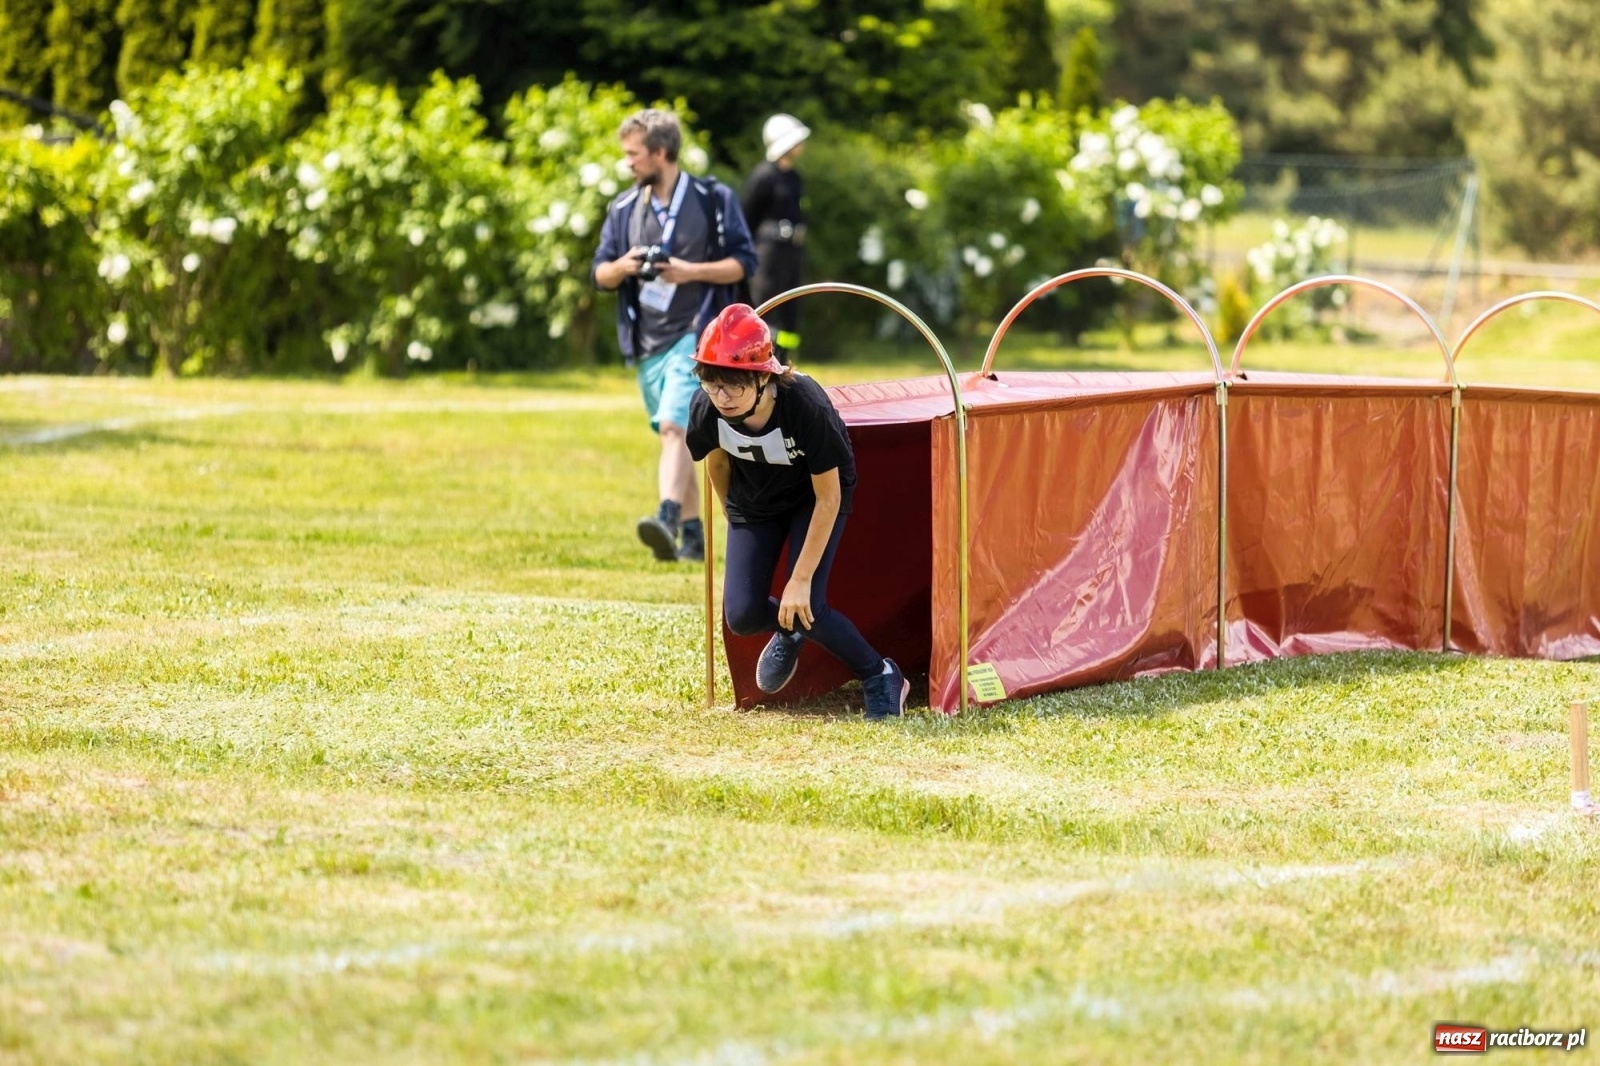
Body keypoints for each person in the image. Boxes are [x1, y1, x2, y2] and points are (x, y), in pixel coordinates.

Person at [685, 303, 908, 721]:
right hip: (755, 500)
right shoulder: (706, 409)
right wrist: (735, 520)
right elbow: (717, 464)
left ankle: (880, 674)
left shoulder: (806, 406)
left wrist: (799, 580)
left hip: (816, 497)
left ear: (762, 375)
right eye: (713, 384)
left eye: (733, 385)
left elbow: (828, 496)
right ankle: (790, 629)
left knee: (807, 605)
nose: (723, 397)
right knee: (743, 615)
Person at [592, 108, 759, 563]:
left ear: (661, 153)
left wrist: (690, 272)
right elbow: (600, 274)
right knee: (676, 435)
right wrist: (624, 266)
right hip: (647, 340)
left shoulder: (712, 198)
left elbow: (745, 262)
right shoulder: (624, 208)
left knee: (674, 427)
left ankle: (666, 514)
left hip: (697, 334)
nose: (628, 164)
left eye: (634, 154)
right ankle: (692, 534)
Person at [742, 114, 810, 363]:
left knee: (790, 308)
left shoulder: (794, 178)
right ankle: (761, 358)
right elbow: (747, 218)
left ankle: (784, 360)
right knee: (768, 305)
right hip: (768, 254)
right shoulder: (763, 176)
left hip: (791, 253)